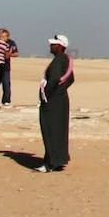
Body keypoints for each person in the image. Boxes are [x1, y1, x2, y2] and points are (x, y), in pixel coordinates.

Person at [37, 35, 74, 172]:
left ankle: (50, 163)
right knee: (58, 131)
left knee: (51, 131)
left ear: (60, 46)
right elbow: (70, 79)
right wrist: (60, 91)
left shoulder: (59, 60)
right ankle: (58, 160)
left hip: (53, 103)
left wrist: (47, 96)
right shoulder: (65, 59)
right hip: (60, 100)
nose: (51, 46)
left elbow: (54, 80)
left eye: (54, 44)